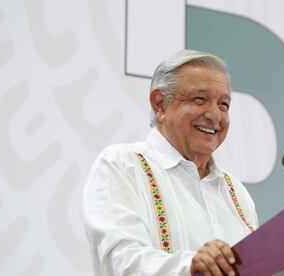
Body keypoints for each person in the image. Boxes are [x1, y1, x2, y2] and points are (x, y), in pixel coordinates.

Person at [83, 50, 259, 275]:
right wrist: (192, 266)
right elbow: (122, 261)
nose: (215, 115)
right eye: (200, 99)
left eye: (223, 104)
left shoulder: (235, 190)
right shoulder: (122, 165)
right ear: (160, 104)